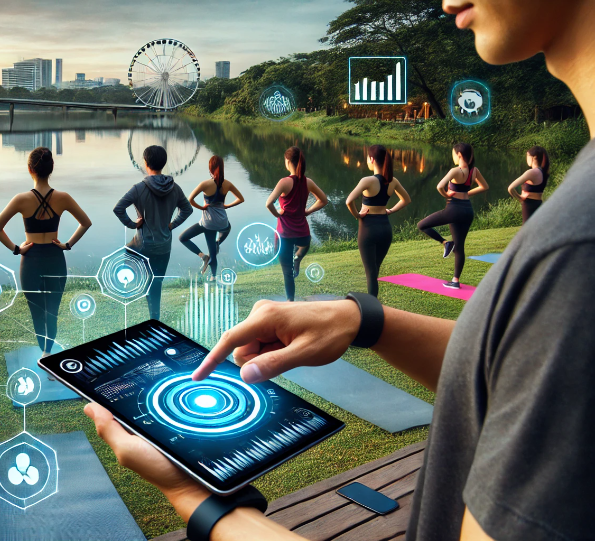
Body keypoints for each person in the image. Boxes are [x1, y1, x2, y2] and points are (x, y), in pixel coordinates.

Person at [87, 0, 595, 539]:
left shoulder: (573, 252)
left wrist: (196, 500)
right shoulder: (574, 215)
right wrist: (365, 321)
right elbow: (527, 372)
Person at [0, 147, 90, 355]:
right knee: (52, 311)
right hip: (55, 257)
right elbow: (85, 223)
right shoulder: (63, 197)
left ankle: (44, 352)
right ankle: (47, 353)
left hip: (30, 260)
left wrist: (17, 249)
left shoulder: (21, 199)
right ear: (51, 169)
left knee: (36, 312)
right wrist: (67, 245)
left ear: (30, 169)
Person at [114, 145, 192, 320]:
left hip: (143, 245)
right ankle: (154, 318)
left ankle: (136, 292)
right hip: (164, 246)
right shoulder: (175, 188)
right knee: (156, 283)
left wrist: (133, 224)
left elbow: (118, 209)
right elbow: (187, 210)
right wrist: (172, 225)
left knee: (124, 257)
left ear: (145, 162)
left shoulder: (138, 188)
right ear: (163, 163)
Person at [417, 143, 489, 289]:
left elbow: (439, 186)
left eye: (454, 154)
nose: (453, 157)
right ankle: (455, 281)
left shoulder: (455, 171)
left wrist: (447, 194)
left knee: (422, 225)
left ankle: (445, 243)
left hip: (453, 209)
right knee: (460, 247)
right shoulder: (474, 170)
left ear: (459, 155)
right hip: (467, 211)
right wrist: (466, 194)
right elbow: (484, 187)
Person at [345, 144, 411, 297]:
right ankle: (374, 304)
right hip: (385, 228)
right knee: (375, 270)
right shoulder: (392, 181)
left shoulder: (367, 181)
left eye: (367, 158)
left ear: (372, 159)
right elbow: (406, 199)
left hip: (368, 228)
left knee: (371, 273)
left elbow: (349, 201)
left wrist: (357, 215)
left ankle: (373, 308)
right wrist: (391, 210)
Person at [265, 146, 328, 301]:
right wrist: (307, 211)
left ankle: (290, 301)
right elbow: (324, 200)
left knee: (287, 271)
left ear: (287, 161)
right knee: (304, 246)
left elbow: (269, 203)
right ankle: (298, 258)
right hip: (303, 234)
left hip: (285, 233)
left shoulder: (284, 182)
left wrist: (278, 214)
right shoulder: (308, 182)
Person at [180, 156, 244, 279]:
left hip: (208, 223)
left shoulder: (205, 184)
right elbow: (241, 199)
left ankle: (204, 257)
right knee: (221, 236)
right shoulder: (228, 184)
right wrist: (226, 206)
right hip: (223, 222)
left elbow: (190, 199)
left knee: (183, 237)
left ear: (210, 168)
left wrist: (202, 208)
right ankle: (214, 271)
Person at [507, 145, 549, 223]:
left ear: (534, 157)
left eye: (528, 156)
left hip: (529, 205)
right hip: (538, 203)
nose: (526, 159)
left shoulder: (532, 172)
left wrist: (519, 198)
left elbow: (511, 188)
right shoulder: (543, 172)